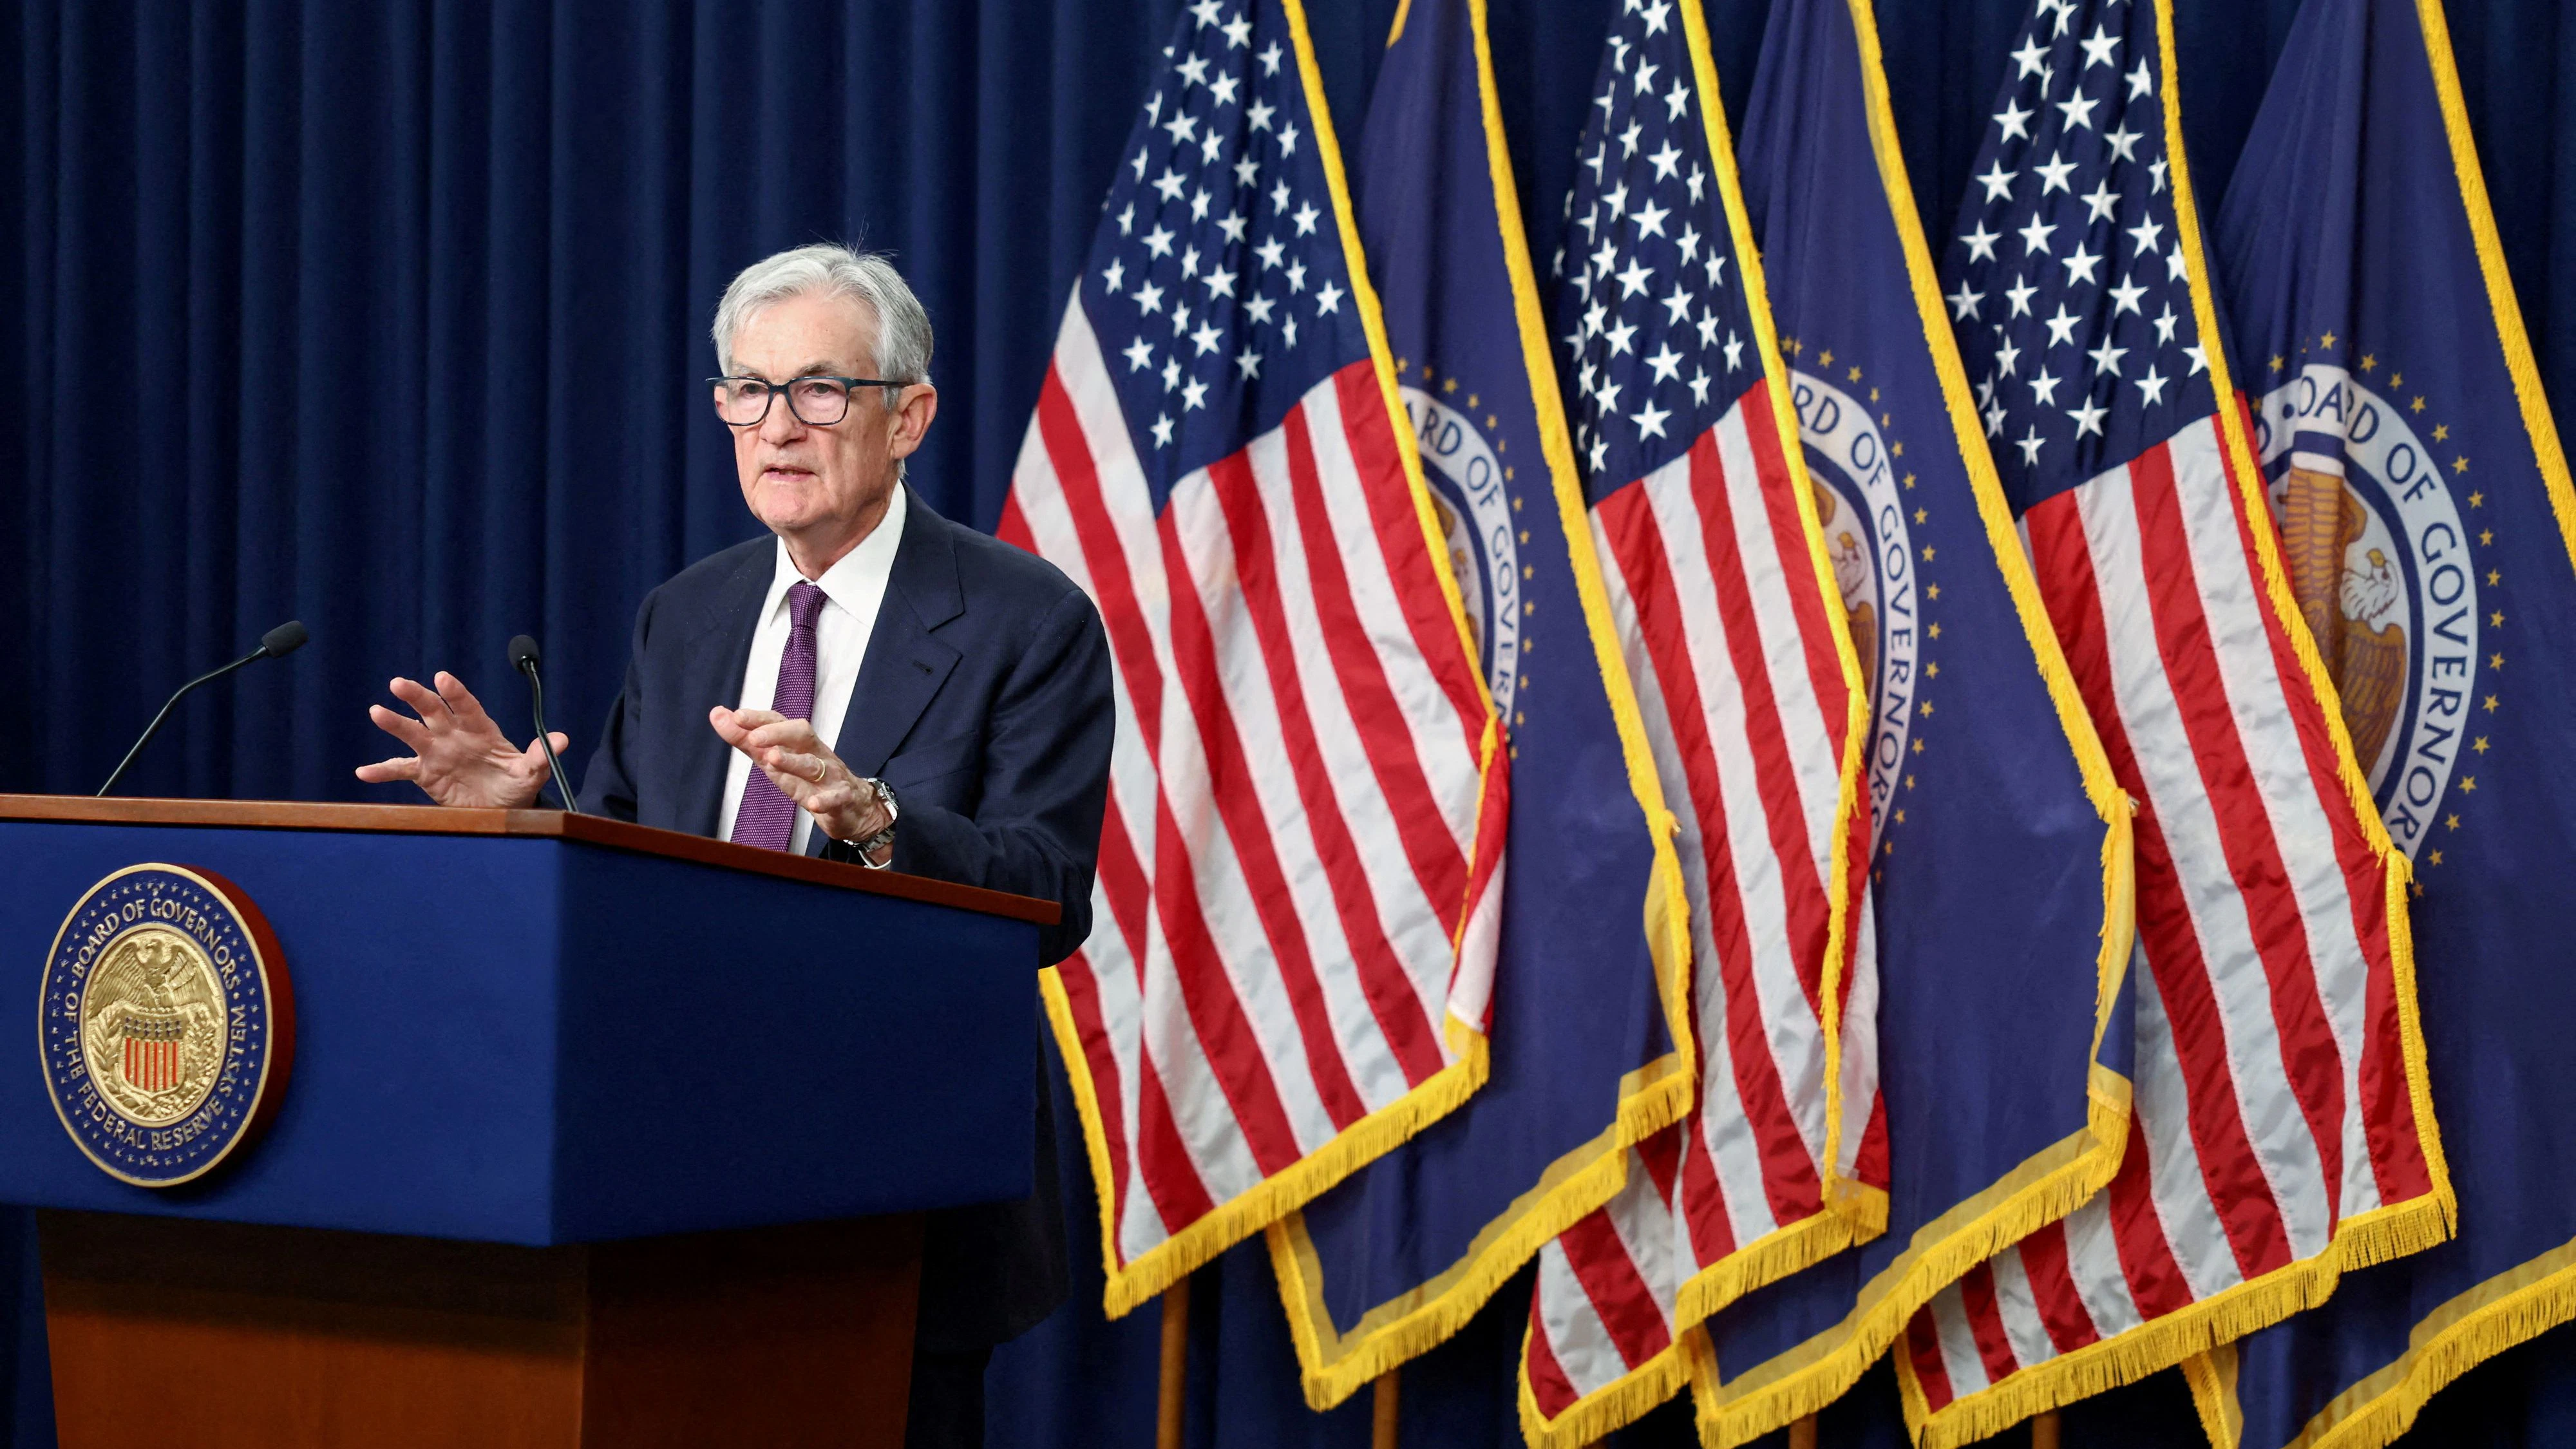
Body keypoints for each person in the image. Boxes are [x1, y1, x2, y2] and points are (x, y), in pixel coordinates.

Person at [356, 242, 1113, 1448]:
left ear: (908, 415)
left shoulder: (1028, 621)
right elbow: (631, 871)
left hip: (891, 1201)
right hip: (667, 1186)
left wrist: (875, 821)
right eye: (748, 392)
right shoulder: (689, 611)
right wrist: (530, 816)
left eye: (822, 389)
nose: (779, 426)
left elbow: (1048, 892)